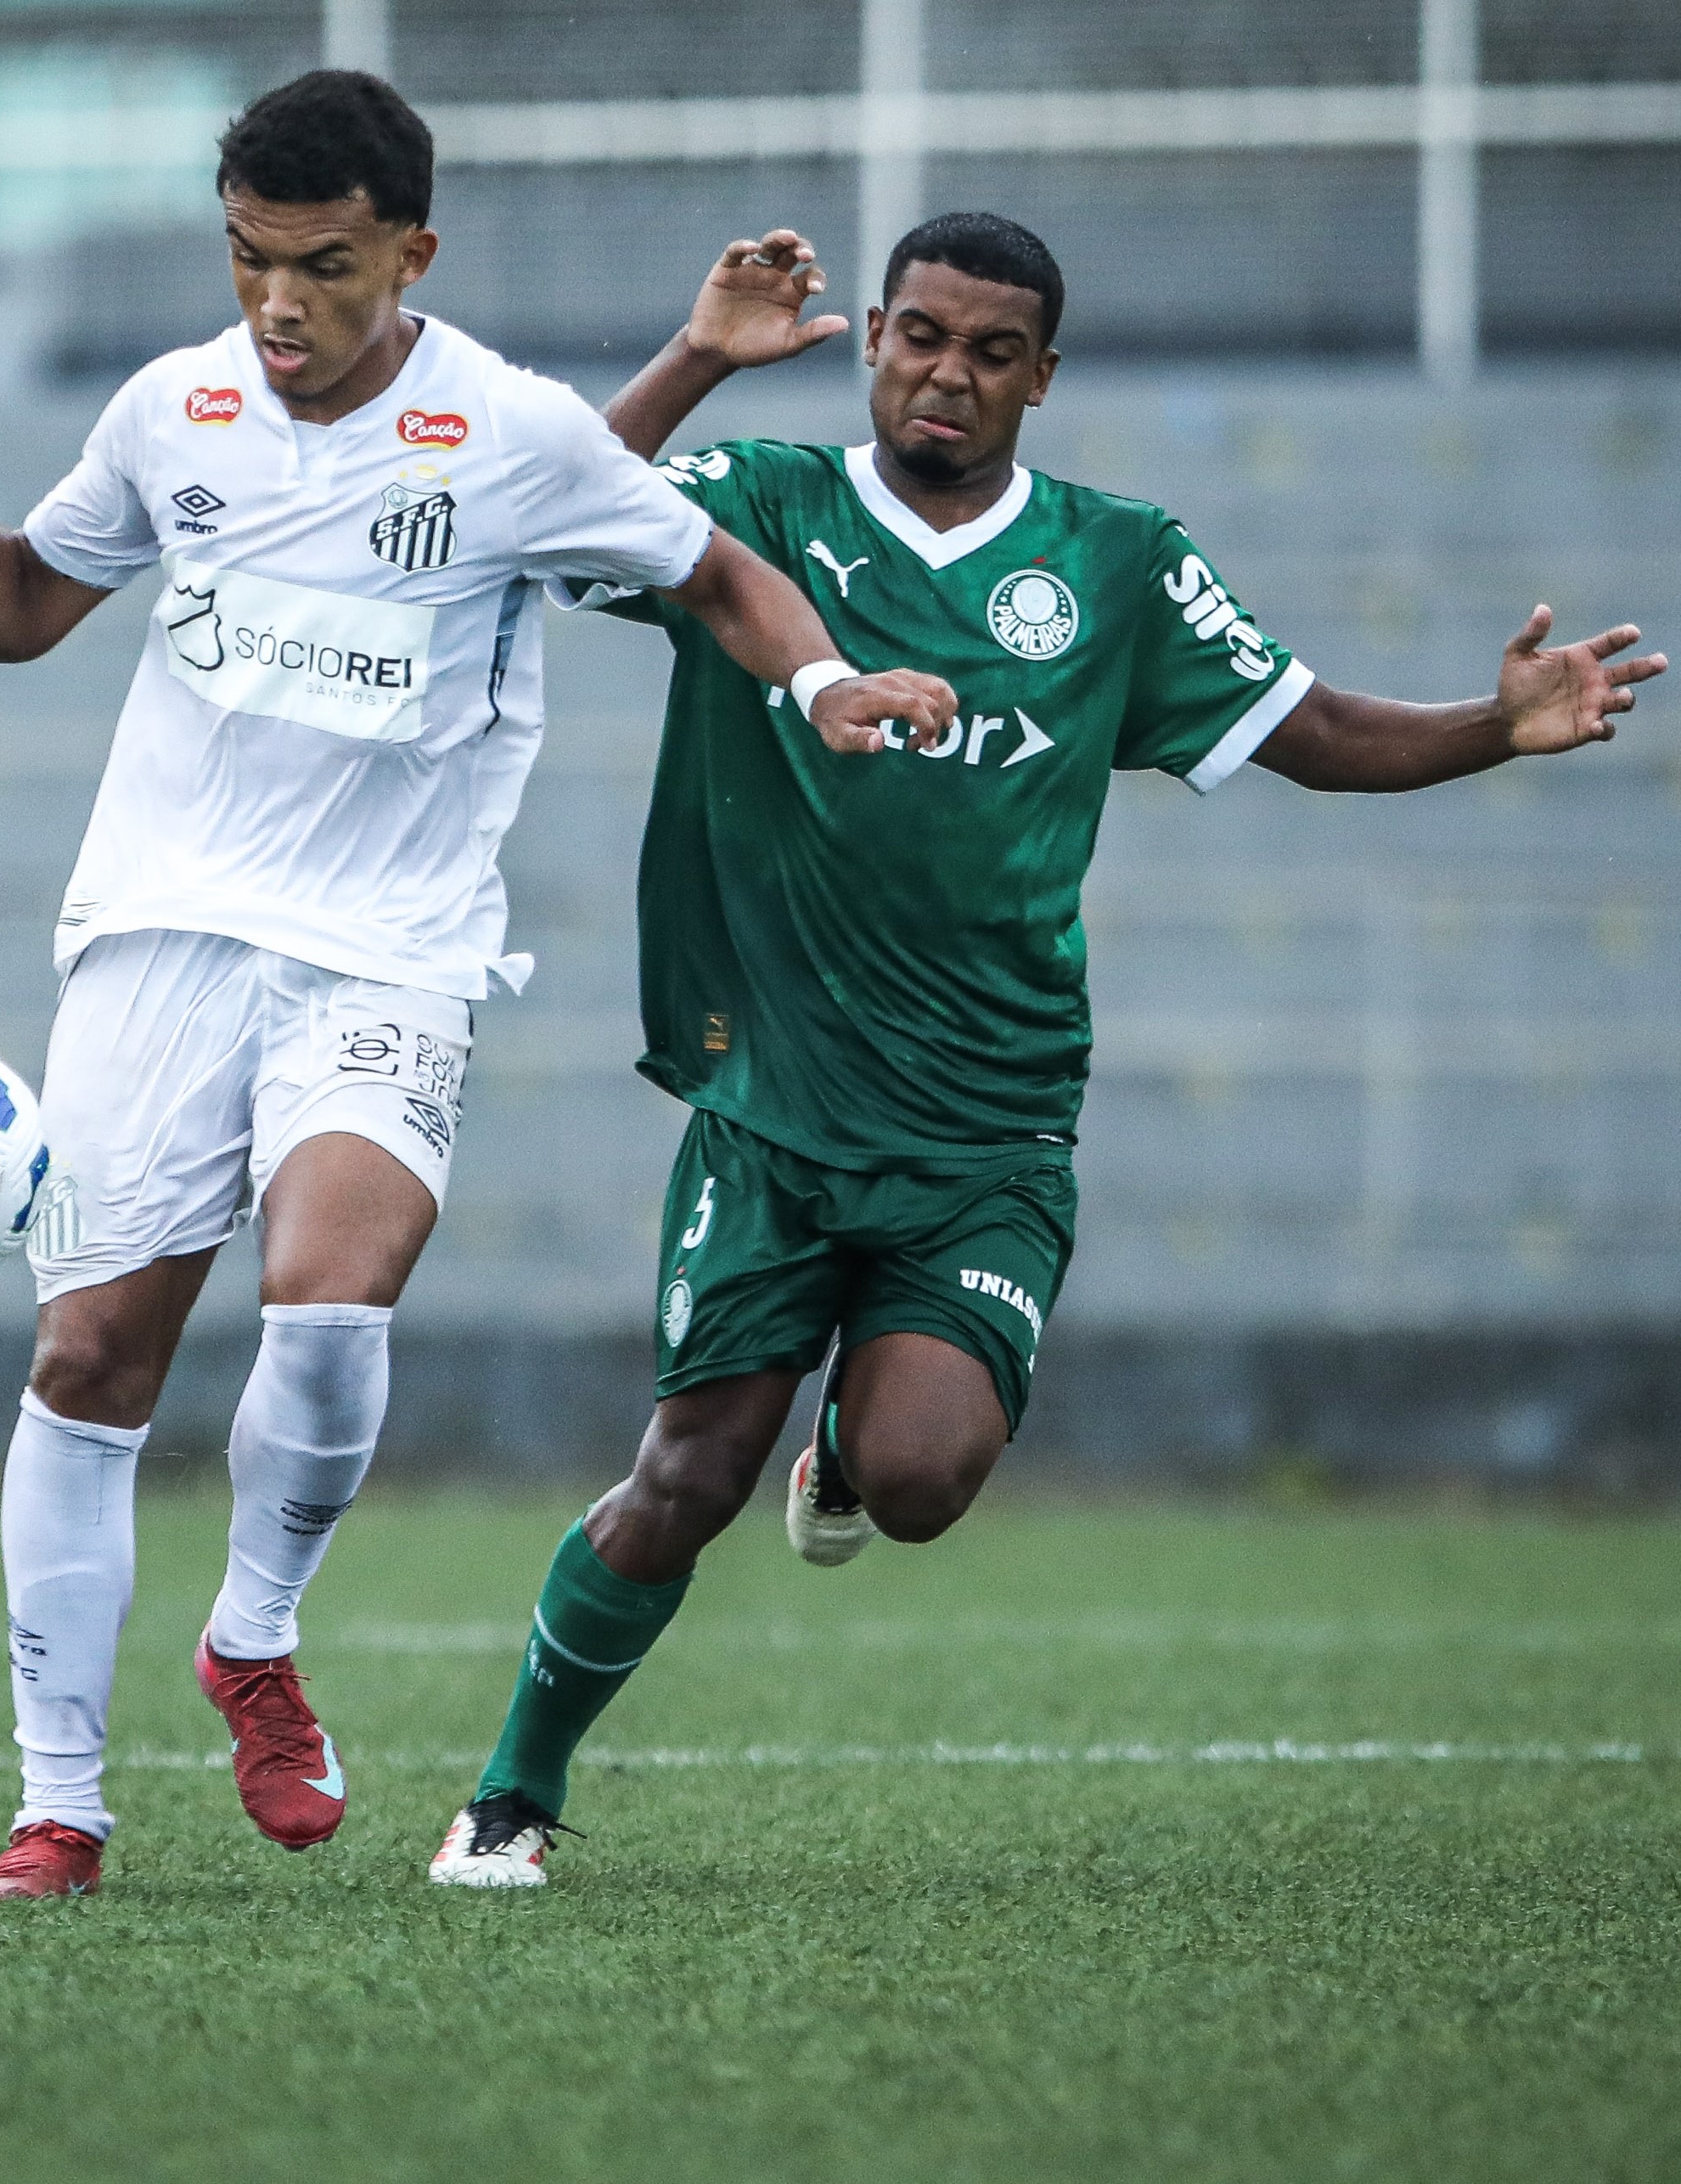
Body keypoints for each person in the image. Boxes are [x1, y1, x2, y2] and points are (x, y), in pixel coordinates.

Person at [428, 211, 1668, 1887]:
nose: (949, 373)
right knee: (686, 1470)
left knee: (926, 1476)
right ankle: (511, 1792)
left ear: (1042, 377)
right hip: (775, 1112)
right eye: (922, 335)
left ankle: (856, 1447)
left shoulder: (1115, 560)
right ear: (872, 337)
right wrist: (698, 356)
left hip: (989, 1129)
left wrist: (1492, 727)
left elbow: (1307, 729)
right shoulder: (764, 506)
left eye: (990, 350)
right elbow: (540, 514)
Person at [0, 75, 956, 1902]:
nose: (276, 306)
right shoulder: (169, 408)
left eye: (322, 269)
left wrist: (827, 682)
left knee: (333, 1294)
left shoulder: (511, 429)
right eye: (246, 262)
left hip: (385, 947)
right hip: (157, 931)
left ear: (410, 254)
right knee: (85, 1356)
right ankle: (60, 1807)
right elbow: (15, 615)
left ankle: (252, 1636)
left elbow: (719, 573)